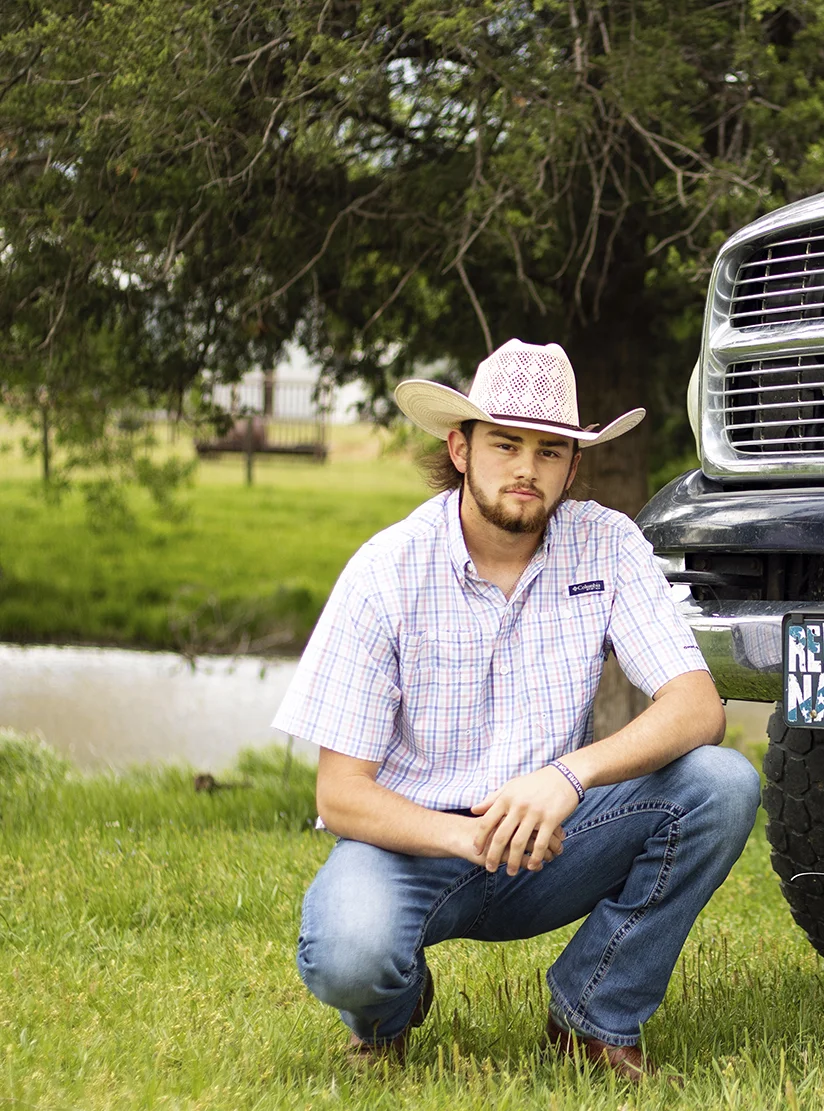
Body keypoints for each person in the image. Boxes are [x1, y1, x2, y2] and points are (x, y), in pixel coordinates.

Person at [274, 339, 758, 1082]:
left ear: (572, 465)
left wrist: (568, 775)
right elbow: (340, 795)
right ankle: (389, 1007)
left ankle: (592, 1016)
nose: (527, 468)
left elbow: (696, 706)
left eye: (549, 450)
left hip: (553, 839)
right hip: (414, 846)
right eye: (505, 444)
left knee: (721, 783)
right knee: (350, 953)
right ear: (460, 448)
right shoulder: (386, 570)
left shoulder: (607, 544)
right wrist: (465, 838)